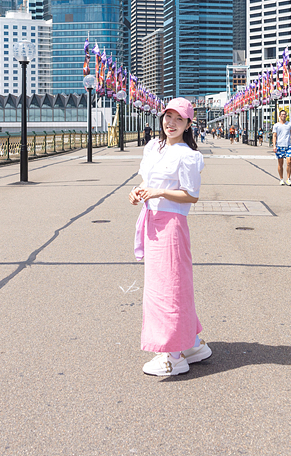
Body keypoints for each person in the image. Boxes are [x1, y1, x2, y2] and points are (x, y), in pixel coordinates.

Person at [129, 97, 210, 376]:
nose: (170, 123)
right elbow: (146, 181)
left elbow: (192, 195)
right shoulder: (154, 147)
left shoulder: (188, 155)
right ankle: (192, 344)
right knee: (166, 285)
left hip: (172, 224)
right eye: (167, 117)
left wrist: (160, 192)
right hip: (153, 220)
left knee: (169, 288)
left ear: (188, 123)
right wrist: (139, 191)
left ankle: (172, 356)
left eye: (178, 118)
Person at [272, 109, 291, 185]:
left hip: (288, 145)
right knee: (280, 163)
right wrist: (274, 145)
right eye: (282, 114)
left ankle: (288, 178)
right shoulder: (276, 125)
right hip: (279, 145)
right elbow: (274, 135)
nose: (283, 116)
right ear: (279, 116)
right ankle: (281, 178)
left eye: (285, 114)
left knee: (289, 162)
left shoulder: (289, 124)